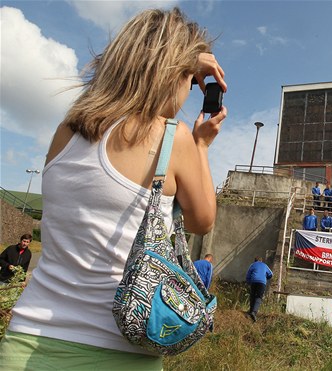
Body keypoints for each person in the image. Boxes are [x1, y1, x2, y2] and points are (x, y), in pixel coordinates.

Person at [0, 8, 228, 369]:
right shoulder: (174, 139)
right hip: (118, 352)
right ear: (172, 74)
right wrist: (200, 147)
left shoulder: (67, 131)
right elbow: (203, 220)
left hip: (28, 338)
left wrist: (180, 57)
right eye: (188, 78)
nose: (188, 90)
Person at [246, 256, 273, 322]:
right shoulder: (265, 265)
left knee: (252, 296)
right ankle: (254, 312)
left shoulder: (252, 265)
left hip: (253, 281)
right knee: (259, 297)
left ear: (255, 261)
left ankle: (251, 311)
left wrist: (249, 282)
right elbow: (271, 274)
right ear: (261, 260)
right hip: (262, 283)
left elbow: (248, 275)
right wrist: (266, 278)